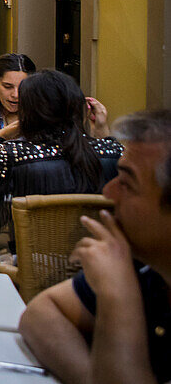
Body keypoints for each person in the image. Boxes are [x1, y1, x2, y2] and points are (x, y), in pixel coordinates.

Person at [18, 109, 171, 384]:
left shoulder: (125, 276)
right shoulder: (145, 270)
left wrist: (118, 296)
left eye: (127, 182)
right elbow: (41, 312)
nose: (108, 192)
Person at [0, 70, 121, 241]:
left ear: (28, 111)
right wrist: (102, 133)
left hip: (32, 260)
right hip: (97, 256)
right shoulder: (114, 152)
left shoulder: (16, 154)